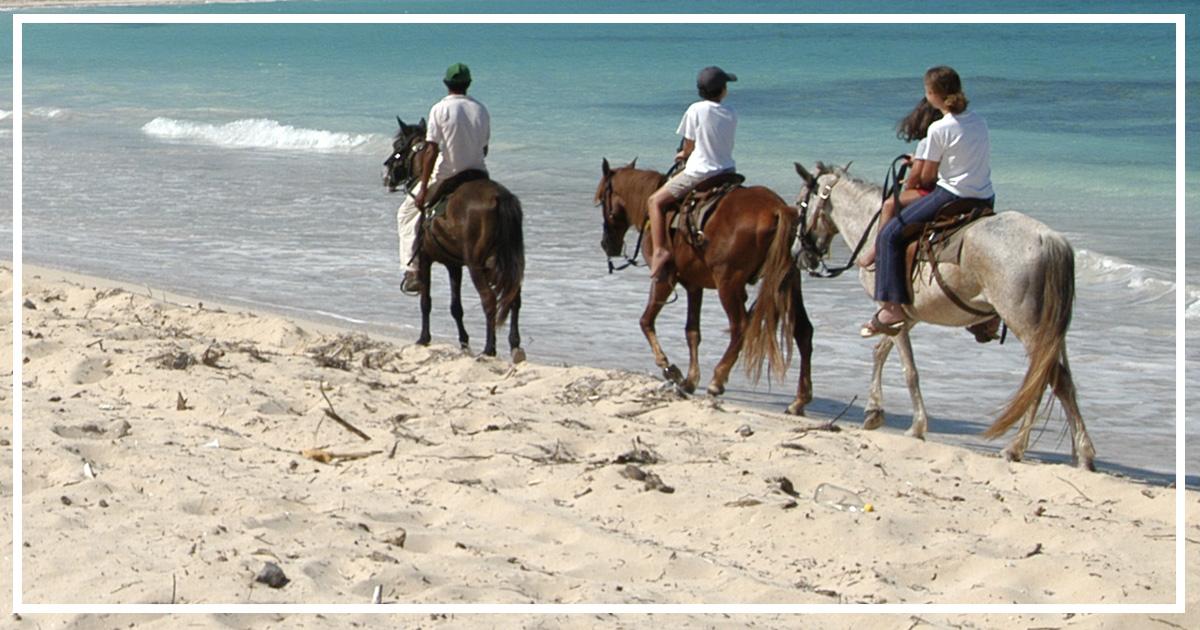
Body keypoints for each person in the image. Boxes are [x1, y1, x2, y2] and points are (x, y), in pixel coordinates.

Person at [862, 65, 995, 337]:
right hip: (985, 196)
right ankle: (990, 317)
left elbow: (928, 177)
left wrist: (914, 169)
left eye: (927, 91)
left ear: (933, 95)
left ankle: (891, 307)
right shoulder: (979, 121)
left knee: (890, 234)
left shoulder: (939, 128)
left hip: (953, 196)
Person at [397, 62, 490, 294]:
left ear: (446, 84)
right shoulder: (481, 109)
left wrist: (422, 191)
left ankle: (412, 270)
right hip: (480, 175)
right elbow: (484, 149)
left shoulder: (439, 109)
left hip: (449, 175)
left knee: (406, 213)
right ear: (468, 84)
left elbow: (431, 151)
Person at [645, 66, 738, 280]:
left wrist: (682, 156)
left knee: (654, 201)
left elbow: (689, 146)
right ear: (722, 90)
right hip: (727, 171)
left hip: (700, 173)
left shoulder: (695, 110)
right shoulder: (731, 112)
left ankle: (659, 250)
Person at [857, 98, 942, 269]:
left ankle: (877, 249)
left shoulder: (926, 142)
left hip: (931, 191)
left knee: (889, 204)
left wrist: (910, 182)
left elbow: (916, 177)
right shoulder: (944, 136)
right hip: (946, 185)